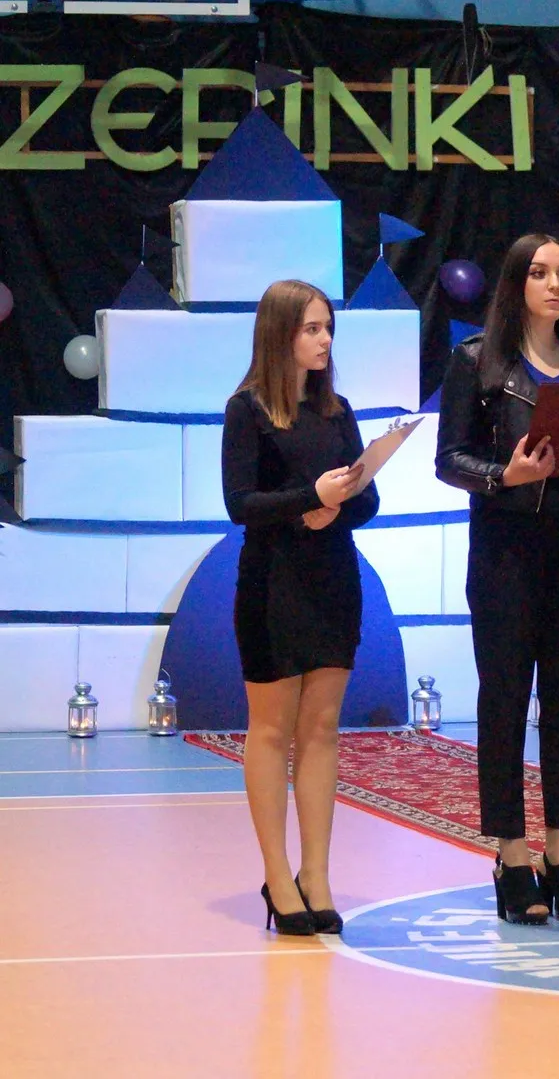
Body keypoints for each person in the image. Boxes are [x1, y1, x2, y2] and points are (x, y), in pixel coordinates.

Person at [435, 233, 559, 925]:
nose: (555, 285)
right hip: (506, 554)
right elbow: (448, 458)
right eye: (541, 273)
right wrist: (503, 475)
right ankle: (512, 856)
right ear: (517, 282)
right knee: (506, 701)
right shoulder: (477, 361)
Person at [222, 279, 379, 936]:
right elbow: (240, 504)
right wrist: (308, 499)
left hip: (333, 580)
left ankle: (316, 872)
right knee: (270, 730)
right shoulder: (248, 409)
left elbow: (368, 500)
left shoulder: (337, 411)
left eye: (328, 328)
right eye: (312, 328)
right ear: (280, 333)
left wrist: (339, 506)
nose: (324, 340)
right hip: (272, 583)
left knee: (321, 729)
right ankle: (278, 873)